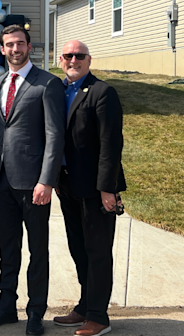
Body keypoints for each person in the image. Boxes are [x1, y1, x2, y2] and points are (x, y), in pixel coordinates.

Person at [0, 25, 66, 336]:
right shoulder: (0, 82)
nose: (15, 49)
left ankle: (35, 311)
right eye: (9, 45)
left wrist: (47, 180)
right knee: (8, 248)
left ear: (29, 46)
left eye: (20, 44)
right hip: (3, 180)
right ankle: (6, 307)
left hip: (34, 183)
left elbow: (55, 137)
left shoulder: (48, 83)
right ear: (2, 49)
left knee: (37, 249)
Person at [53, 41, 125, 336]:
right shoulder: (58, 90)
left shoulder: (102, 92)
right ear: (61, 60)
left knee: (97, 250)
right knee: (78, 248)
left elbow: (111, 144)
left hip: (95, 188)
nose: (74, 60)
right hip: (67, 184)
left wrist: (107, 189)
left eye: (79, 56)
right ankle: (84, 306)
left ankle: (98, 316)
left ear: (89, 60)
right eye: (68, 56)